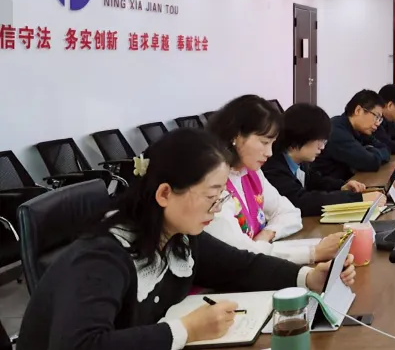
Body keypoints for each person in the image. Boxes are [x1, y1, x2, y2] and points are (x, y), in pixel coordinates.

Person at [17, 128, 357, 350]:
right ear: (165, 193)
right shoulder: (102, 256)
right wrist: (184, 330)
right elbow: (79, 345)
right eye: (211, 196)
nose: (218, 207)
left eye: (220, 196)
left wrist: (308, 277)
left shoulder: (176, 233)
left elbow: (240, 266)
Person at [203, 96, 343, 264]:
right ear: (236, 136)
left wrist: (267, 234)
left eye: (272, 143)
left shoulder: (251, 172)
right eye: (264, 142)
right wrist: (312, 253)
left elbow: (290, 212)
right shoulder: (214, 184)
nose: (269, 153)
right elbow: (239, 252)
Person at [262, 103, 369, 217]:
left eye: (324, 141)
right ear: (300, 135)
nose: (322, 147)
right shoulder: (273, 168)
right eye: (319, 140)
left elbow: (315, 181)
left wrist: (341, 186)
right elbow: (301, 202)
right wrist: (357, 199)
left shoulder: (299, 161)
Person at [312, 90, 390, 179]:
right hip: (330, 185)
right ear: (358, 110)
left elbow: (386, 149)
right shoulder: (337, 132)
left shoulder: (360, 130)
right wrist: (368, 150)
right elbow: (371, 162)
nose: (377, 123)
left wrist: (367, 150)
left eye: (380, 119)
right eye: (376, 116)